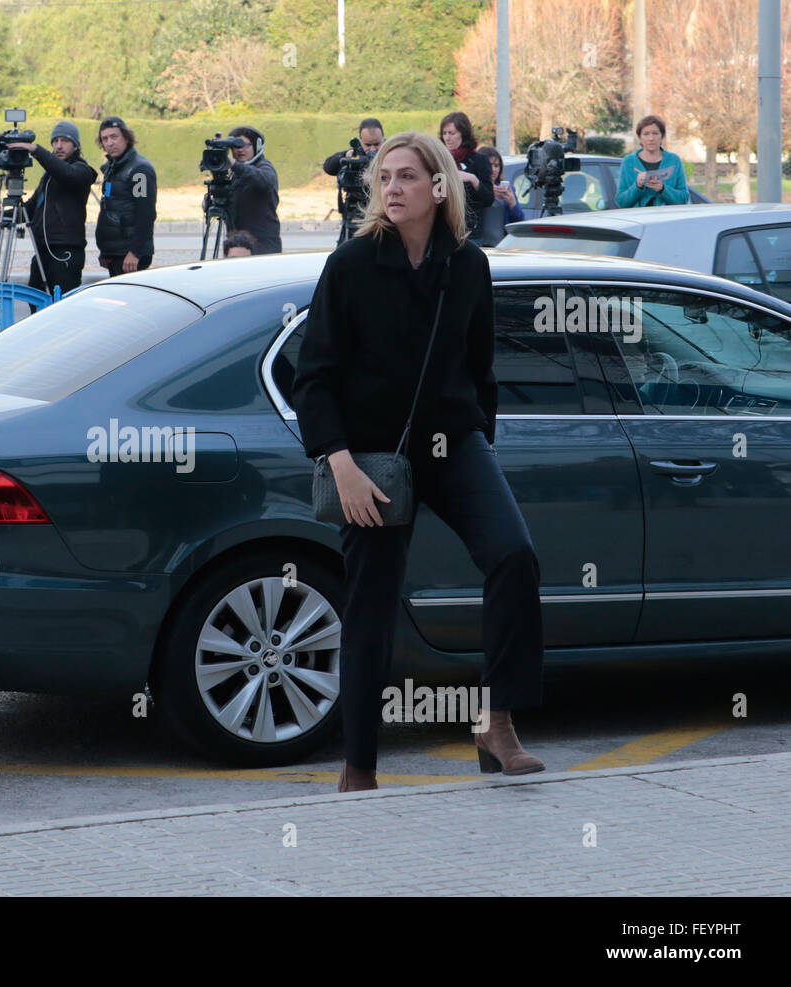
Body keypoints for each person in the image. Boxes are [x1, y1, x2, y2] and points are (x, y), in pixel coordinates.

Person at [291, 130, 544, 793]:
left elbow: (480, 366)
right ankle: (359, 765)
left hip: (454, 445)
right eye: (385, 178)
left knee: (514, 556)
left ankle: (498, 721)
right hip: (369, 457)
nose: (393, 188)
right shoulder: (349, 266)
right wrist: (341, 463)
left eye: (407, 176)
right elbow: (312, 378)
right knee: (371, 603)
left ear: (440, 187)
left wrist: (477, 438)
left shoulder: (467, 266)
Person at [5, 121, 97, 297]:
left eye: (65, 141)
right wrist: (0, 215)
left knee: (62, 306)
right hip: (43, 250)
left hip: (66, 251)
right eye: (55, 141)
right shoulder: (49, 176)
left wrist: (36, 150)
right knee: (35, 299)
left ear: (76, 145)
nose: (59, 146)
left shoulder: (82, 170)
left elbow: (66, 173)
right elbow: (31, 208)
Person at [96, 116, 157, 277]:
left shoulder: (139, 170)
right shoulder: (112, 168)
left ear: (126, 137)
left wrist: (135, 252)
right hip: (115, 252)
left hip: (130, 255)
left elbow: (146, 213)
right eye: (105, 139)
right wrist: (106, 250)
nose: (110, 143)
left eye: (114, 137)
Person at [439, 111, 494, 245]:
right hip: (442, 230)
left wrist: (473, 180)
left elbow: (488, 199)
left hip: (471, 233)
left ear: (463, 133)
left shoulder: (479, 161)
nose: (447, 138)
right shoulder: (439, 160)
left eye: (451, 133)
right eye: (444, 133)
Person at [225, 126, 281, 255]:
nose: (240, 150)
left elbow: (265, 181)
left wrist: (235, 165)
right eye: (236, 146)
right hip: (237, 244)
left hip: (263, 244)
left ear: (257, 146)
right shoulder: (235, 173)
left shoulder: (264, 166)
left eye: (246, 145)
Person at [616, 114, 688, 208]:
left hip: (666, 220)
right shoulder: (629, 162)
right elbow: (621, 202)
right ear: (640, 137)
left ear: (662, 136)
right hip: (638, 220)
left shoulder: (674, 161)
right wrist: (637, 186)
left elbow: (684, 199)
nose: (651, 138)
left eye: (655, 133)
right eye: (646, 134)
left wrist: (663, 189)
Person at [475, 145, 523, 246]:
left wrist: (512, 203)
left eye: (497, 165)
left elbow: (519, 222)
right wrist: (486, 192)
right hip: (478, 244)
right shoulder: (472, 187)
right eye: (489, 165)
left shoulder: (508, 189)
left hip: (501, 246)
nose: (493, 170)